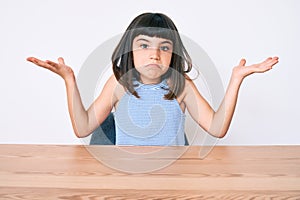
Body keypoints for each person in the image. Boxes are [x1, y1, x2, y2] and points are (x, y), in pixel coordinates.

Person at [27, 12, 279, 146]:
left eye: (165, 48)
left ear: (173, 54)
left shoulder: (181, 86)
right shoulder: (119, 84)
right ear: (130, 49)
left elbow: (217, 128)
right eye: (144, 45)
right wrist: (69, 80)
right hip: (128, 177)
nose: (155, 55)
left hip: (173, 178)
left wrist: (236, 79)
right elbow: (82, 128)